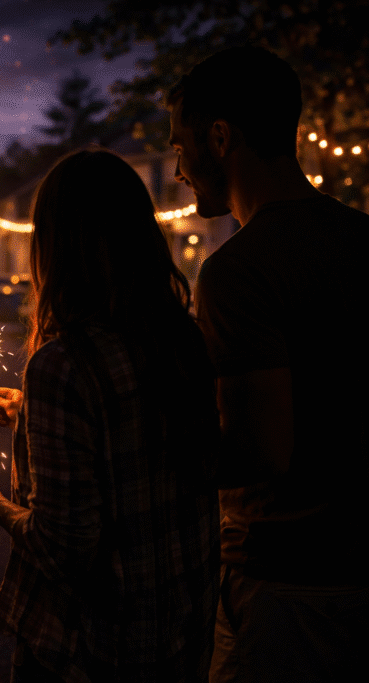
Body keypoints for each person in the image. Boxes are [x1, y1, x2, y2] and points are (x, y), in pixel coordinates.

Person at [0, 149, 220, 682]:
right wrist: (36, 415)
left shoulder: (63, 365)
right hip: (179, 634)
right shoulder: (182, 338)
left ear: (56, 244)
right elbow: (142, 438)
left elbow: (66, 548)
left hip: (91, 650)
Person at [167, 46, 369, 682]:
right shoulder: (360, 239)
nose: (176, 169)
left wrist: (148, 446)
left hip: (287, 584)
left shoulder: (237, 273)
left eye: (181, 145)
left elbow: (260, 452)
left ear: (221, 137)